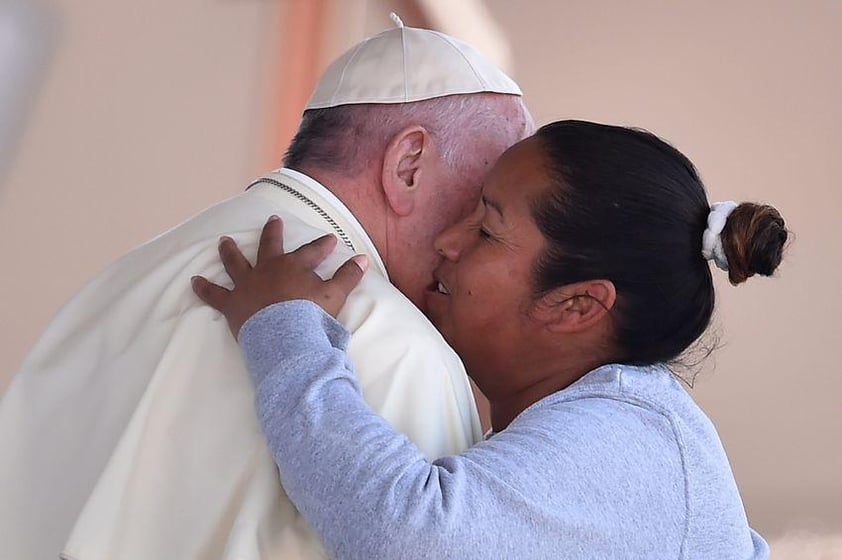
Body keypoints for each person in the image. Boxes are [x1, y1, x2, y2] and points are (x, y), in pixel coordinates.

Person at [0, 19, 533, 560]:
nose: (468, 242)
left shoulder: (135, 270)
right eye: (484, 202)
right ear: (408, 165)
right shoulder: (389, 339)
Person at [192, 120, 788, 559]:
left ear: (578, 305)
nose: (448, 241)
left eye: (486, 228)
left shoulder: (635, 440)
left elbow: (410, 535)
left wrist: (285, 330)